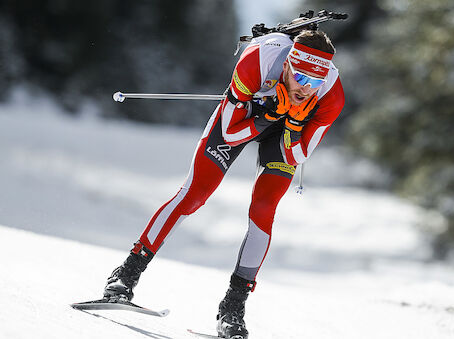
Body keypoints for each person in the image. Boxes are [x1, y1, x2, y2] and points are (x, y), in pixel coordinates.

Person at [101, 29, 344, 339]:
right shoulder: (258, 62)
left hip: (285, 131)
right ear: (286, 66)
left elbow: (300, 153)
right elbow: (229, 133)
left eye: (316, 82)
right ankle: (125, 276)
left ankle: (232, 309)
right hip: (245, 115)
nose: (306, 88)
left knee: (264, 209)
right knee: (195, 194)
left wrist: (294, 123)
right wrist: (270, 114)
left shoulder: (331, 96)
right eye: (301, 78)